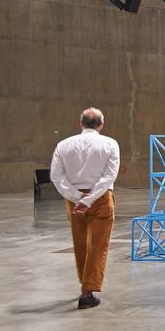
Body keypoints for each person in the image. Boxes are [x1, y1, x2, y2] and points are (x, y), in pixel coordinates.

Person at [50, 107, 122, 309]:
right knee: (98, 245)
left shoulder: (63, 145)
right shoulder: (110, 144)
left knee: (80, 243)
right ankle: (87, 291)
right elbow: (110, 175)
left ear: (81, 123)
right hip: (101, 197)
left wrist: (77, 197)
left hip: (74, 200)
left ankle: (85, 284)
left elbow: (56, 176)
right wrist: (90, 198)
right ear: (101, 125)